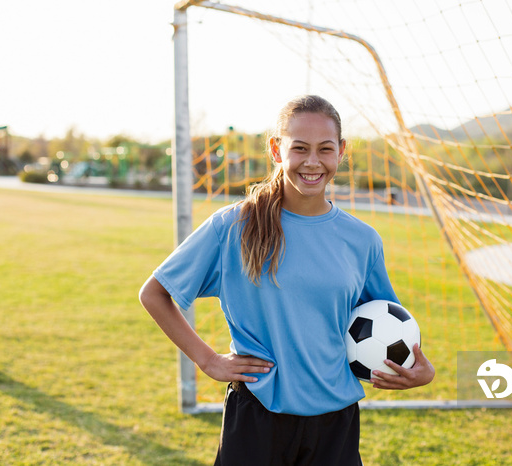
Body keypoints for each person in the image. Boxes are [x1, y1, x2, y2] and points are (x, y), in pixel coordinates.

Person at [139, 95, 435, 465]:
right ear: (277, 150)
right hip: (257, 418)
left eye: (325, 149)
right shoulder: (234, 227)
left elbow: (390, 324)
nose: (312, 162)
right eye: (300, 149)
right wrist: (208, 360)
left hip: (335, 423)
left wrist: (419, 370)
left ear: (341, 152)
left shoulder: (362, 240)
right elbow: (154, 294)